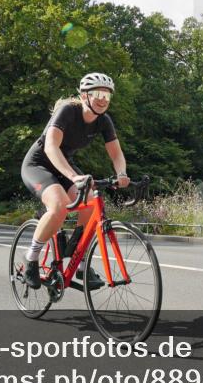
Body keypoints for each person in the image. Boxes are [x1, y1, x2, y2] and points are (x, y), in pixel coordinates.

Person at [20, 72, 129, 290]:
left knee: (89, 200)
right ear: (84, 95)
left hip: (65, 166)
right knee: (59, 205)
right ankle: (30, 257)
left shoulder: (103, 121)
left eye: (107, 96)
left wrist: (122, 174)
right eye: (97, 93)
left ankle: (79, 259)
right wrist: (73, 176)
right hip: (38, 165)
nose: (102, 99)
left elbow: (116, 154)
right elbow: (51, 147)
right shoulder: (68, 111)